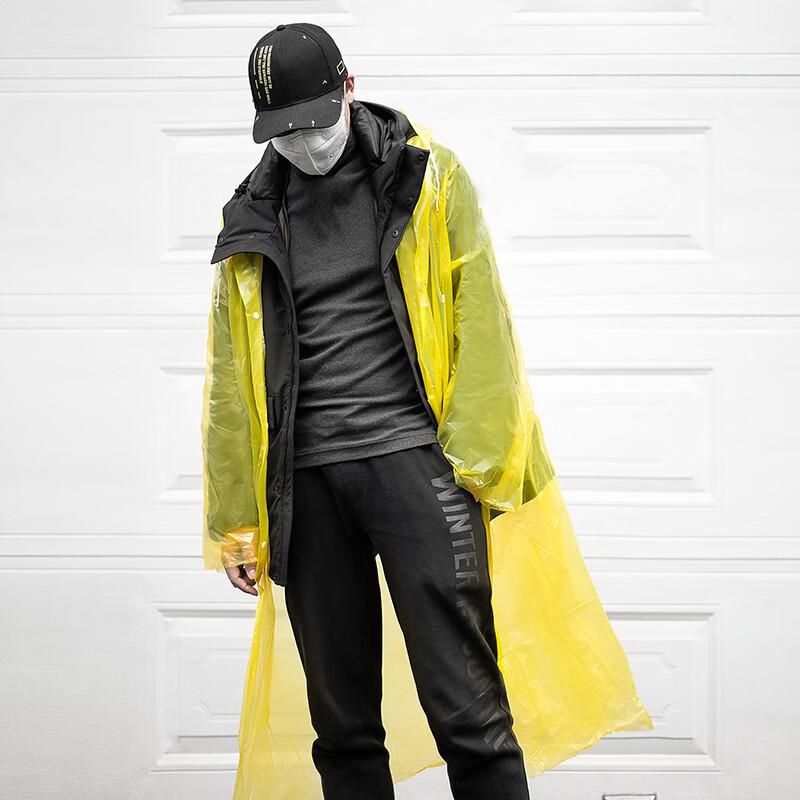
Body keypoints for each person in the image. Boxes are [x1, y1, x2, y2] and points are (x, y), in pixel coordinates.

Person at [201, 20, 653, 800]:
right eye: (284, 132)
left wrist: (478, 464)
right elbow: (230, 382)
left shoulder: (426, 177)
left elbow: (481, 316)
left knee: (469, 712)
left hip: (416, 466)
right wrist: (236, 518)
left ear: (349, 88)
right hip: (306, 488)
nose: (304, 144)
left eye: (315, 122)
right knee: (341, 729)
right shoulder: (249, 215)